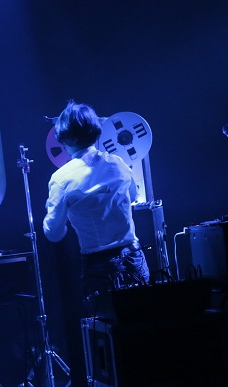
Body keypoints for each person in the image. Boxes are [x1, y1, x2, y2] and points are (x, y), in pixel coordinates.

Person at [43, 99, 150, 300]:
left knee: (105, 319)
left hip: (99, 265)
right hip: (134, 257)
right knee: (143, 316)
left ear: (65, 137)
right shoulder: (118, 163)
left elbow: (53, 233)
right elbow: (133, 196)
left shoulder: (61, 179)